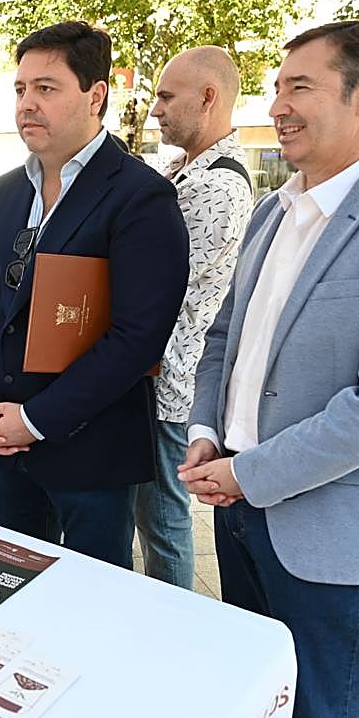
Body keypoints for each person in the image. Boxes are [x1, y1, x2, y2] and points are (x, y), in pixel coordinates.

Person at [179, 20, 359, 718]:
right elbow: (223, 339)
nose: (278, 106)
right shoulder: (273, 210)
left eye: (300, 86)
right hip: (237, 510)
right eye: (277, 87)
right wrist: (207, 429)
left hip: (330, 528)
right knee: (263, 710)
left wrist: (248, 471)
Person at [0, 21, 188, 568]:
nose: (27, 104)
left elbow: (137, 337)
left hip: (90, 450)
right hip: (3, 445)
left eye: (46, 88)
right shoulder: (3, 192)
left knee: (94, 602)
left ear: (95, 95)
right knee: (13, 584)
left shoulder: (139, 195)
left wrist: (34, 420)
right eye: (20, 89)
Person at [131, 47, 254, 589]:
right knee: (153, 518)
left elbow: (158, 287)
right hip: (155, 374)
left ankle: (173, 622)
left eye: (165, 96)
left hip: (168, 382)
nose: (155, 109)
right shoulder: (182, 169)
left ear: (208, 98)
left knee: (162, 522)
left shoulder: (216, 186)